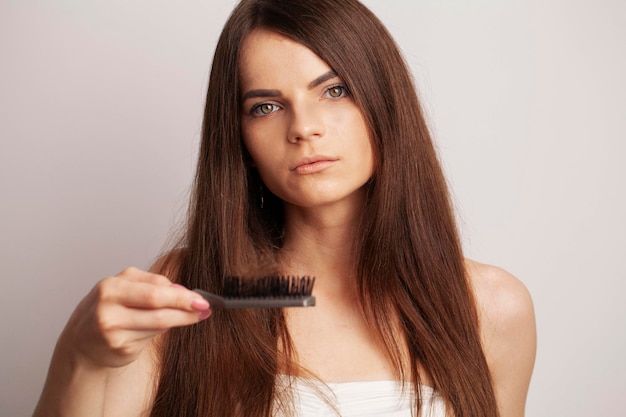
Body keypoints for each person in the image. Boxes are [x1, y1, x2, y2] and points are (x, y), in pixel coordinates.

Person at [32, 0, 536, 416]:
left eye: (334, 91)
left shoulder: (489, 307)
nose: (303, 127)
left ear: (385, 103)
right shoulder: (202, 293)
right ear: (241, 140)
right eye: (265, 107)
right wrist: (82, 355)